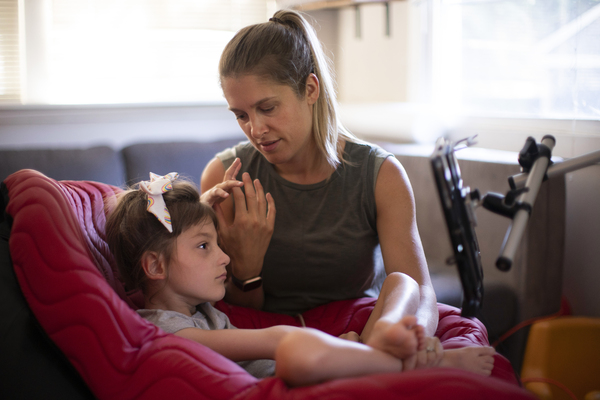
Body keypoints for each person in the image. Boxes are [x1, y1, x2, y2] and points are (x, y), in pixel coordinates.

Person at [200, 8, 456, 368]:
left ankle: (378, 352)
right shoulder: (224, 178)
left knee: (405, 286)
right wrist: (248, 268)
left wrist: (418, 335)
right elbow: (234, 312)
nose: (255, 129)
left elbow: (419, 288)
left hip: (357, 321)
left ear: (310, 89)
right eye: (241, 115)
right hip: (267, 333)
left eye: (267, 108)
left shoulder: (381, 175)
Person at [105, 172, 495, 387]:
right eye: (205, 247)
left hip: (326, 359)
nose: (225, 256)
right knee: (294, 351)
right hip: (301, 370)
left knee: (402, 283)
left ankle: (383, 339)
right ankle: (414, 364)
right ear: (155, 267)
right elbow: (274, 342)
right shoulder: (169, 333)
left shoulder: (197, 308)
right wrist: (325, 347)